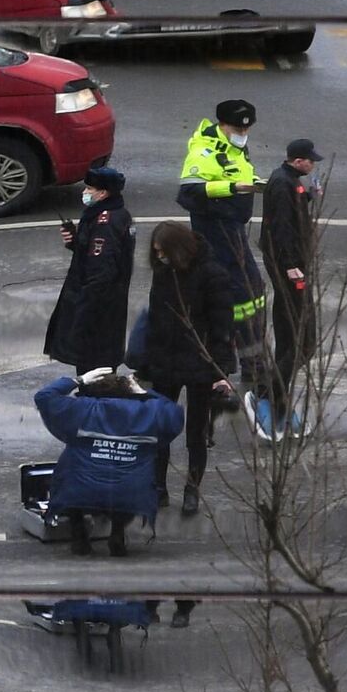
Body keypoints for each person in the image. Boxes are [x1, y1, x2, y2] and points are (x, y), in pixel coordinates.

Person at [141, 221, 235, 523]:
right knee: (160, 430)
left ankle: (192, 489)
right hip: (167, 361)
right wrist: (148, 361)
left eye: (162, 251)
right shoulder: (164, 272)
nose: (159, 257)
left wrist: (221, 371)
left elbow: (222, 326)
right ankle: (158, 487)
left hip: (199, 363)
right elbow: (155, 318)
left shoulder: (212, 276)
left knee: (196, 432)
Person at [177, 99, 268, 409]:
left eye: (247, 127)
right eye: (237, 127)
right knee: (236, 300)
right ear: (221, 124)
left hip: (233, 234)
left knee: (254, 294)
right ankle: (240, 366)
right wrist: (233, 190)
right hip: (217, 237)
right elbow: (188, 193)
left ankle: (250, 361)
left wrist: (251, 186)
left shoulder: (235, 147)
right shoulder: (204, 152)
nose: (243, 132)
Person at [35, 368, 184, 557]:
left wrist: (77, 380)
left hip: (81, 491)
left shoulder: (82, 408)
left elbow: (44, 396)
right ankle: (117, 532)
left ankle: (79, 534)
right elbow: (175, 414)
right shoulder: (148, 412)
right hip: (129, 495)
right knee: (130, 479)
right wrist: (143, 392)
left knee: (68, 472)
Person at [255, 138, 323, 440]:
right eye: (310, 160)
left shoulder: (287, 181)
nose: (313, 164)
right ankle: (269, 392)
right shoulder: (283, 184)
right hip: (290, 267)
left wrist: (307, 196)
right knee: (303, 340)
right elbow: (281, 229)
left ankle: (273, 389)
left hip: (289, 265)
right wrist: (291, 266)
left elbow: (288, 211)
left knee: (289, 331)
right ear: (298, 161)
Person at [44, 167, 135, 376]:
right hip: (104, 307)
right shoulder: (110, 215)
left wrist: (83, 313)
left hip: (97, 311)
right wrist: (77, 242)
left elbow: (101, 270)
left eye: (89, 188)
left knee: (94, 369)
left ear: (103, 193)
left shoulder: (106, 222)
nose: (85, 192)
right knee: (96, 364)